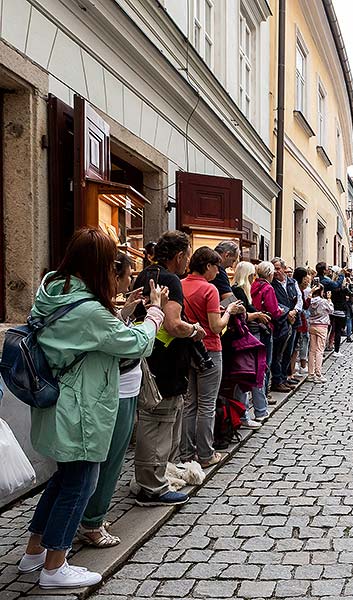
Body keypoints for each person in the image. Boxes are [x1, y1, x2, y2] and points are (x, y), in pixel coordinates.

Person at [18, 228, 165, 588]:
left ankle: (34, 552)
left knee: (62, 479)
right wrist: (154, 316)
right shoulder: (89, 310)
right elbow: (134, 344)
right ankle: (55, 565)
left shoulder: (54, 290)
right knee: (80, 483)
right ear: (97, 265)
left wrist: (120, 311)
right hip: (81, 407)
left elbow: (94, 332)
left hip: (58, 401)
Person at [76, 253, 150, 548]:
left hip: (116, 388)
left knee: (103, 459)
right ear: (113, 275)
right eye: (128, 275)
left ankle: (91, 517)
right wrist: (153, 316)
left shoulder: (99, 307)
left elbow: (112, 333)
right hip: (113, 389)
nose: (131, 280)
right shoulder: (95, 309)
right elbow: (129, 343)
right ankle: (91, 523)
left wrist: (127, 312)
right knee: (108, 459)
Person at [132, 231, 198, 508]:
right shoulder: (170, 279)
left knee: (151, 420)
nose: (187, 262)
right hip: (165, 362)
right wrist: (194, 329)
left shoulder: (144, 274)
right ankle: (152, 487)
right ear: (179, 256)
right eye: (187, 256)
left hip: (148, 358)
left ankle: (153, 478)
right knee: (158, 423)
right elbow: (172, 324)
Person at [181, 247, 243, 468]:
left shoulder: (181, 284)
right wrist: (228, 311)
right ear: (207, 266)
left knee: (189, 404)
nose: (219, 272)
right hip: (209, 349)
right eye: (216, 267)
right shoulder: (209, 289)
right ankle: (206, 454)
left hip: (187, 349)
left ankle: (186, 453)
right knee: (206, 405)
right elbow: (216, 327)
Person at [230, 261, 271, 427]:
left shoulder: (242, 290)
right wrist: (257, 315)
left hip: (247, 335)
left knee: (252, 373)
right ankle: (244, 415)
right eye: (252, 275)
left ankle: (254, 412)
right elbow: (241, 315)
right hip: (243, 338)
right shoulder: (238, 290)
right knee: (247, 374)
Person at [251, 261, 282, 412]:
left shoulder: (254, 284)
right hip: (264, 327)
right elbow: (273, 310)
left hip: (253, 326)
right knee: (264, 363)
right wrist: (280, 311)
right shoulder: (268, 287)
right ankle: (263, 396)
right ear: (270, 274)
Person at [270, 258, 299, 391]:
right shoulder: (271, 284)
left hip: (293, 320)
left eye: (277, 268)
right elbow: (274, 302)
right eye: (273, 269)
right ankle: (277, 380)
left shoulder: (292, 282)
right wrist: (287, 313)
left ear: (283, 268)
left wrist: (295, 311)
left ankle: (283, 377)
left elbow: (299, 298)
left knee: (289, 351)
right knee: (278, 352)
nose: (275, 272)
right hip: (280, 321)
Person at [306, 284, 333, 383]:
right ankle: (318, 373)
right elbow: (331, 310)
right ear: (322, 292)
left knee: (312, 350)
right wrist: (329, 299)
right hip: (322, 326)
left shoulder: (311, 301)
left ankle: (310, 373)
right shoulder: (324, 301)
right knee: (319, 350)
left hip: (312, 325)